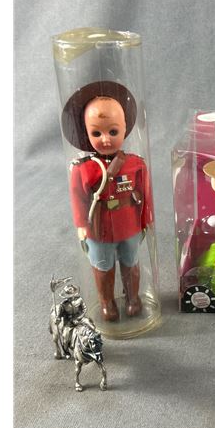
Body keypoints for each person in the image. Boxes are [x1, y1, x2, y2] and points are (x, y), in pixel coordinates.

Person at [61, 80, 153, 321]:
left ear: (125, 128)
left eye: (113, 131)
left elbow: (144, 194)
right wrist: (81, 225)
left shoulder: (135, 164)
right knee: (103, 265)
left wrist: (146, 219)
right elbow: (78, 199)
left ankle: (133, 297)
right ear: (86, 132)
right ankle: (107, 302)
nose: (105, 139)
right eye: (96, 133)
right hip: (99, 228)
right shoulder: (83, 169)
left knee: (131, 261)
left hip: (129, 224)